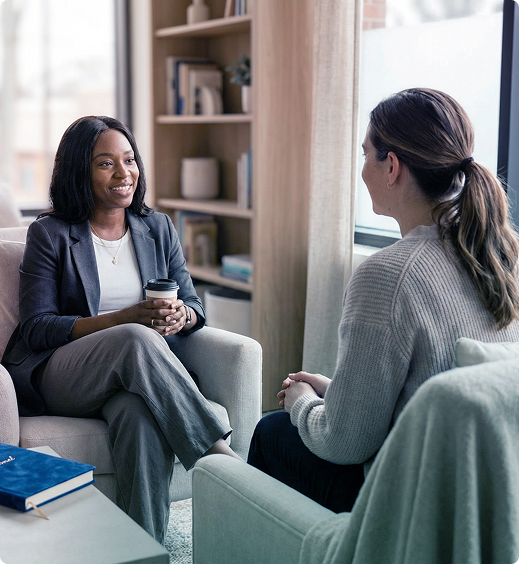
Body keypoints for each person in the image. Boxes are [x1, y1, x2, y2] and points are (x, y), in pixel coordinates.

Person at [247, 88, 519, 513]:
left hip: (405, 502)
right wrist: (335, 391)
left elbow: (344, 443)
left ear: (391, 166)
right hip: (481, 487)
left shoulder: (388, 275)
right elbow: (431, 393)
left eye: (365, 154)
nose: (362, 171)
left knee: (270, 430)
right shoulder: (500, 255)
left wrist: (302, 402)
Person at [1, 115, 240, 543]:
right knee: (134, 338)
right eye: (105, 163)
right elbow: (37, 328)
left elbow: (194, 305)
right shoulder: (50, 233)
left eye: (129, 160)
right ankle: (220, 460)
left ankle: (143, 548)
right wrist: (125, 319)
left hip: (135, 378)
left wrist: (180, 316)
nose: (123, 173)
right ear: (80, 170)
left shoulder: (158, 228)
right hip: (64, 376)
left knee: (139, 415)